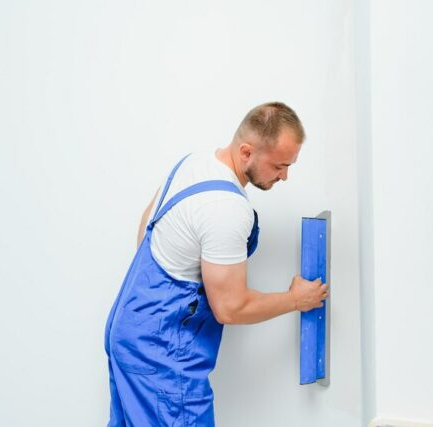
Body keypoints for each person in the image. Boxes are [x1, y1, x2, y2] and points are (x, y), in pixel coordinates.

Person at [104, 101, 329, 426]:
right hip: (162, 357)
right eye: (279, 166)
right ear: (247, 152)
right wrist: (296, 299)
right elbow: (230, 308)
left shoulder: (193, 163)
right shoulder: (226, 207)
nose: (285, 176)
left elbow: (145, 230)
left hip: (128, 332)